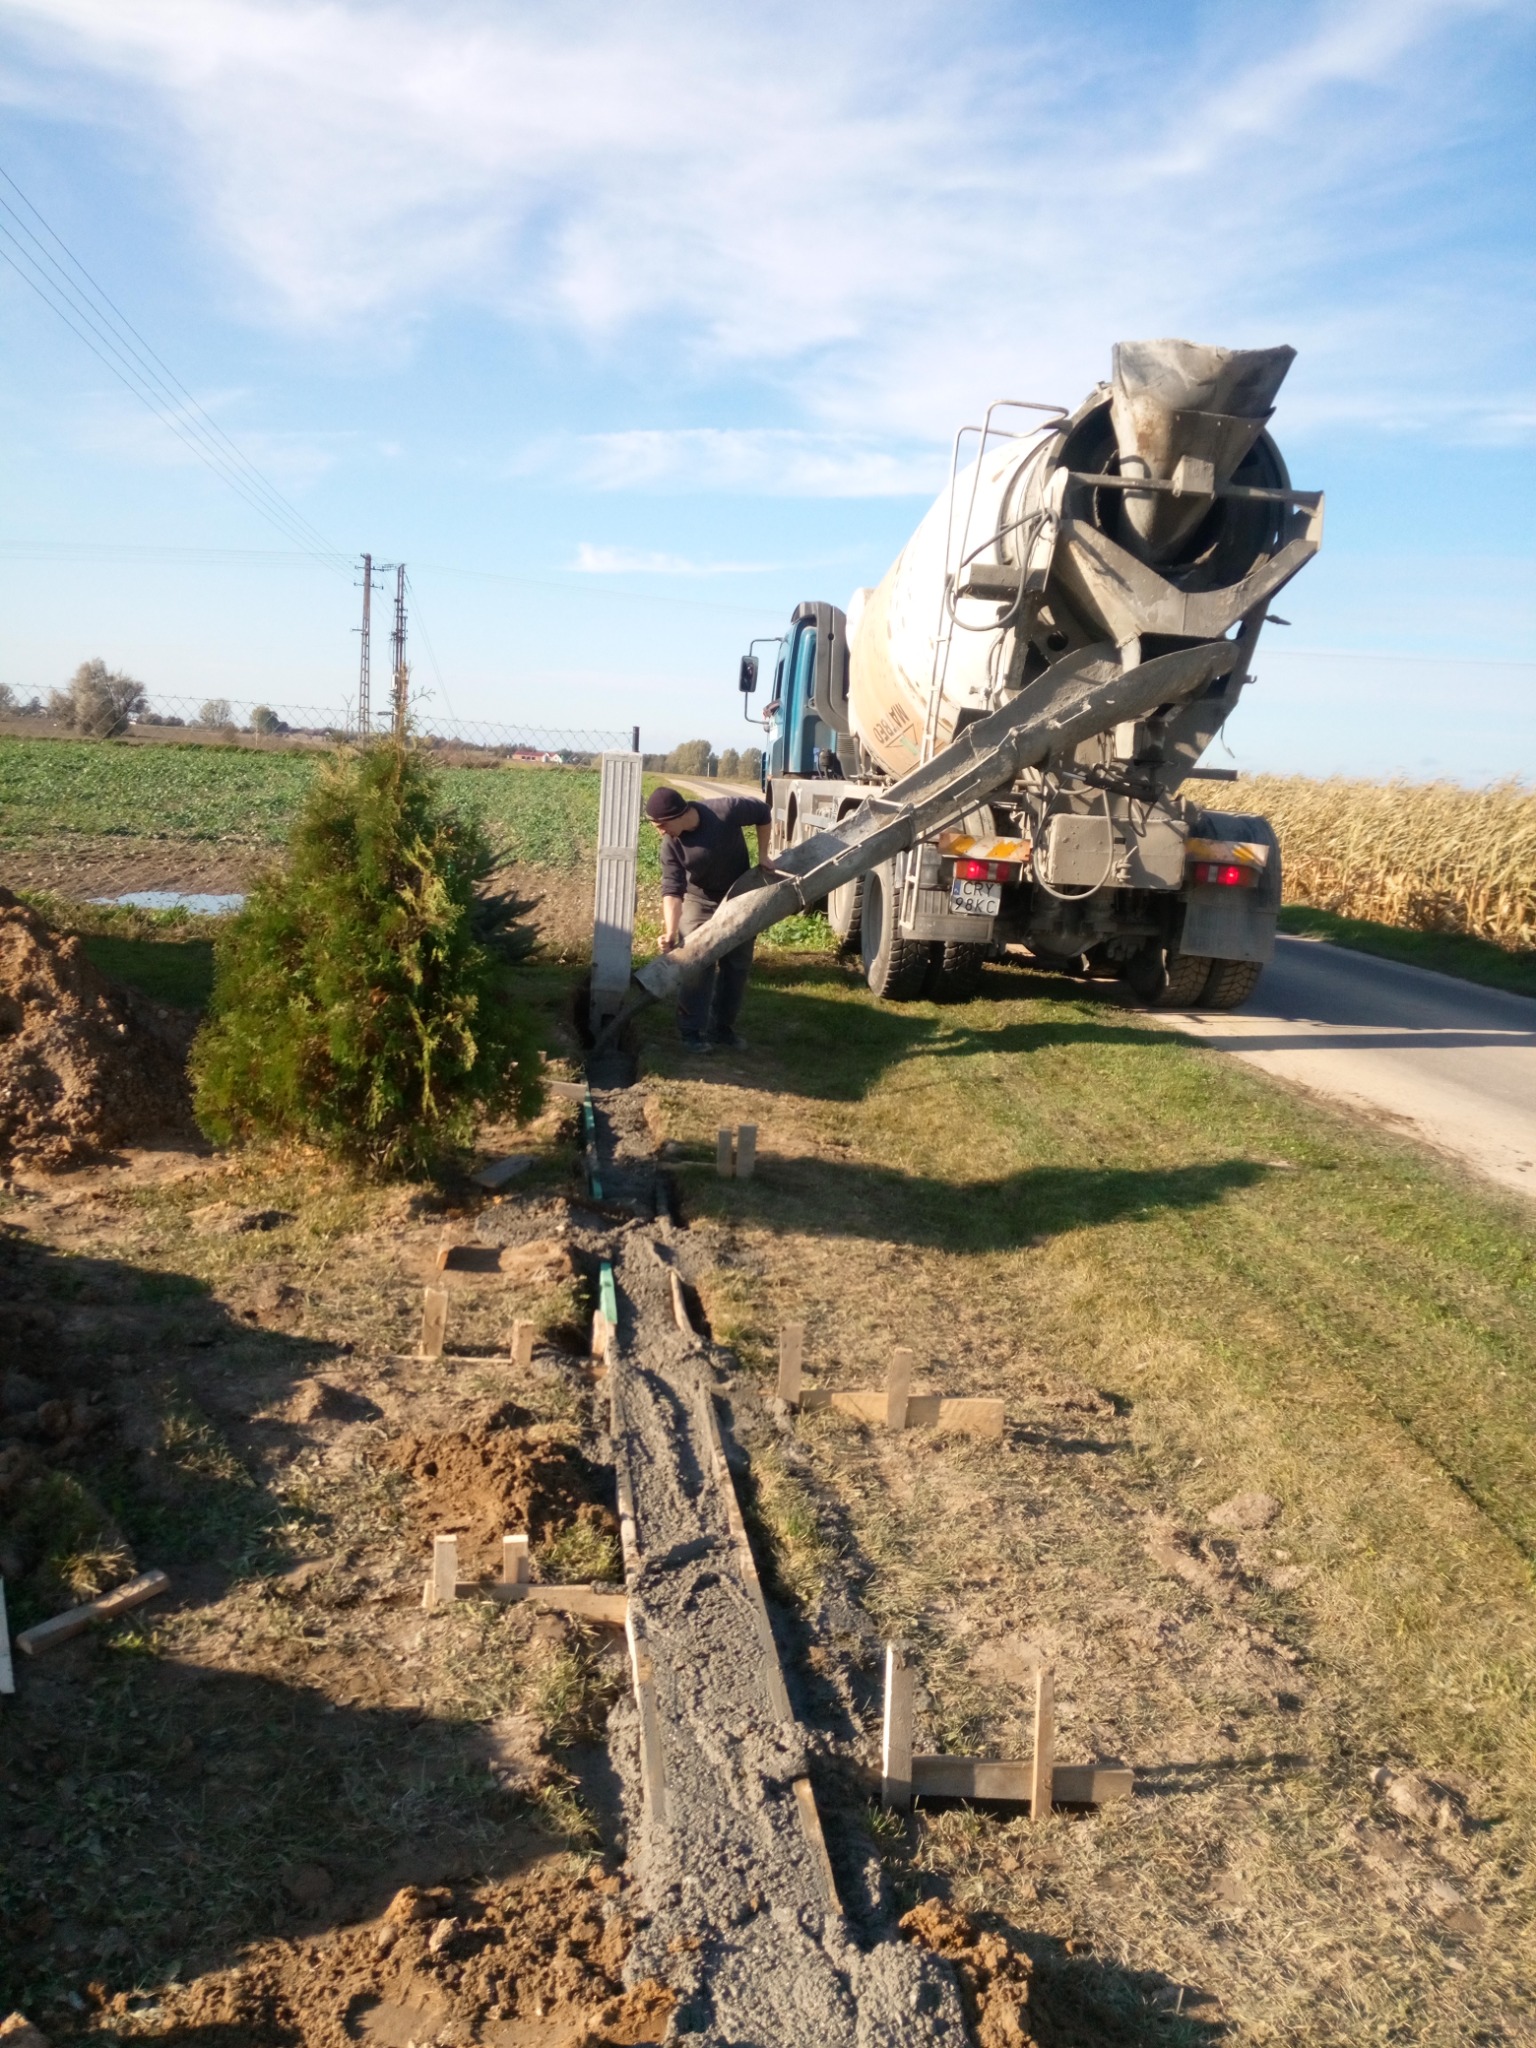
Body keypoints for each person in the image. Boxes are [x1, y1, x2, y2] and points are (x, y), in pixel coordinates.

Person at [646, 783, 773, 1051]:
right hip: (698, 899)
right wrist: (670, 932)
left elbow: (763, 812)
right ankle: (691, 1031)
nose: (660, 831)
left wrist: (763, 854)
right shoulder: (671, 845)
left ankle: (722, 1029)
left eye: (660, 824)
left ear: (677, 814)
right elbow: (672, 890)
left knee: (737, 965)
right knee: (696, 959)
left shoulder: (724, 811)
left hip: (738, 895)